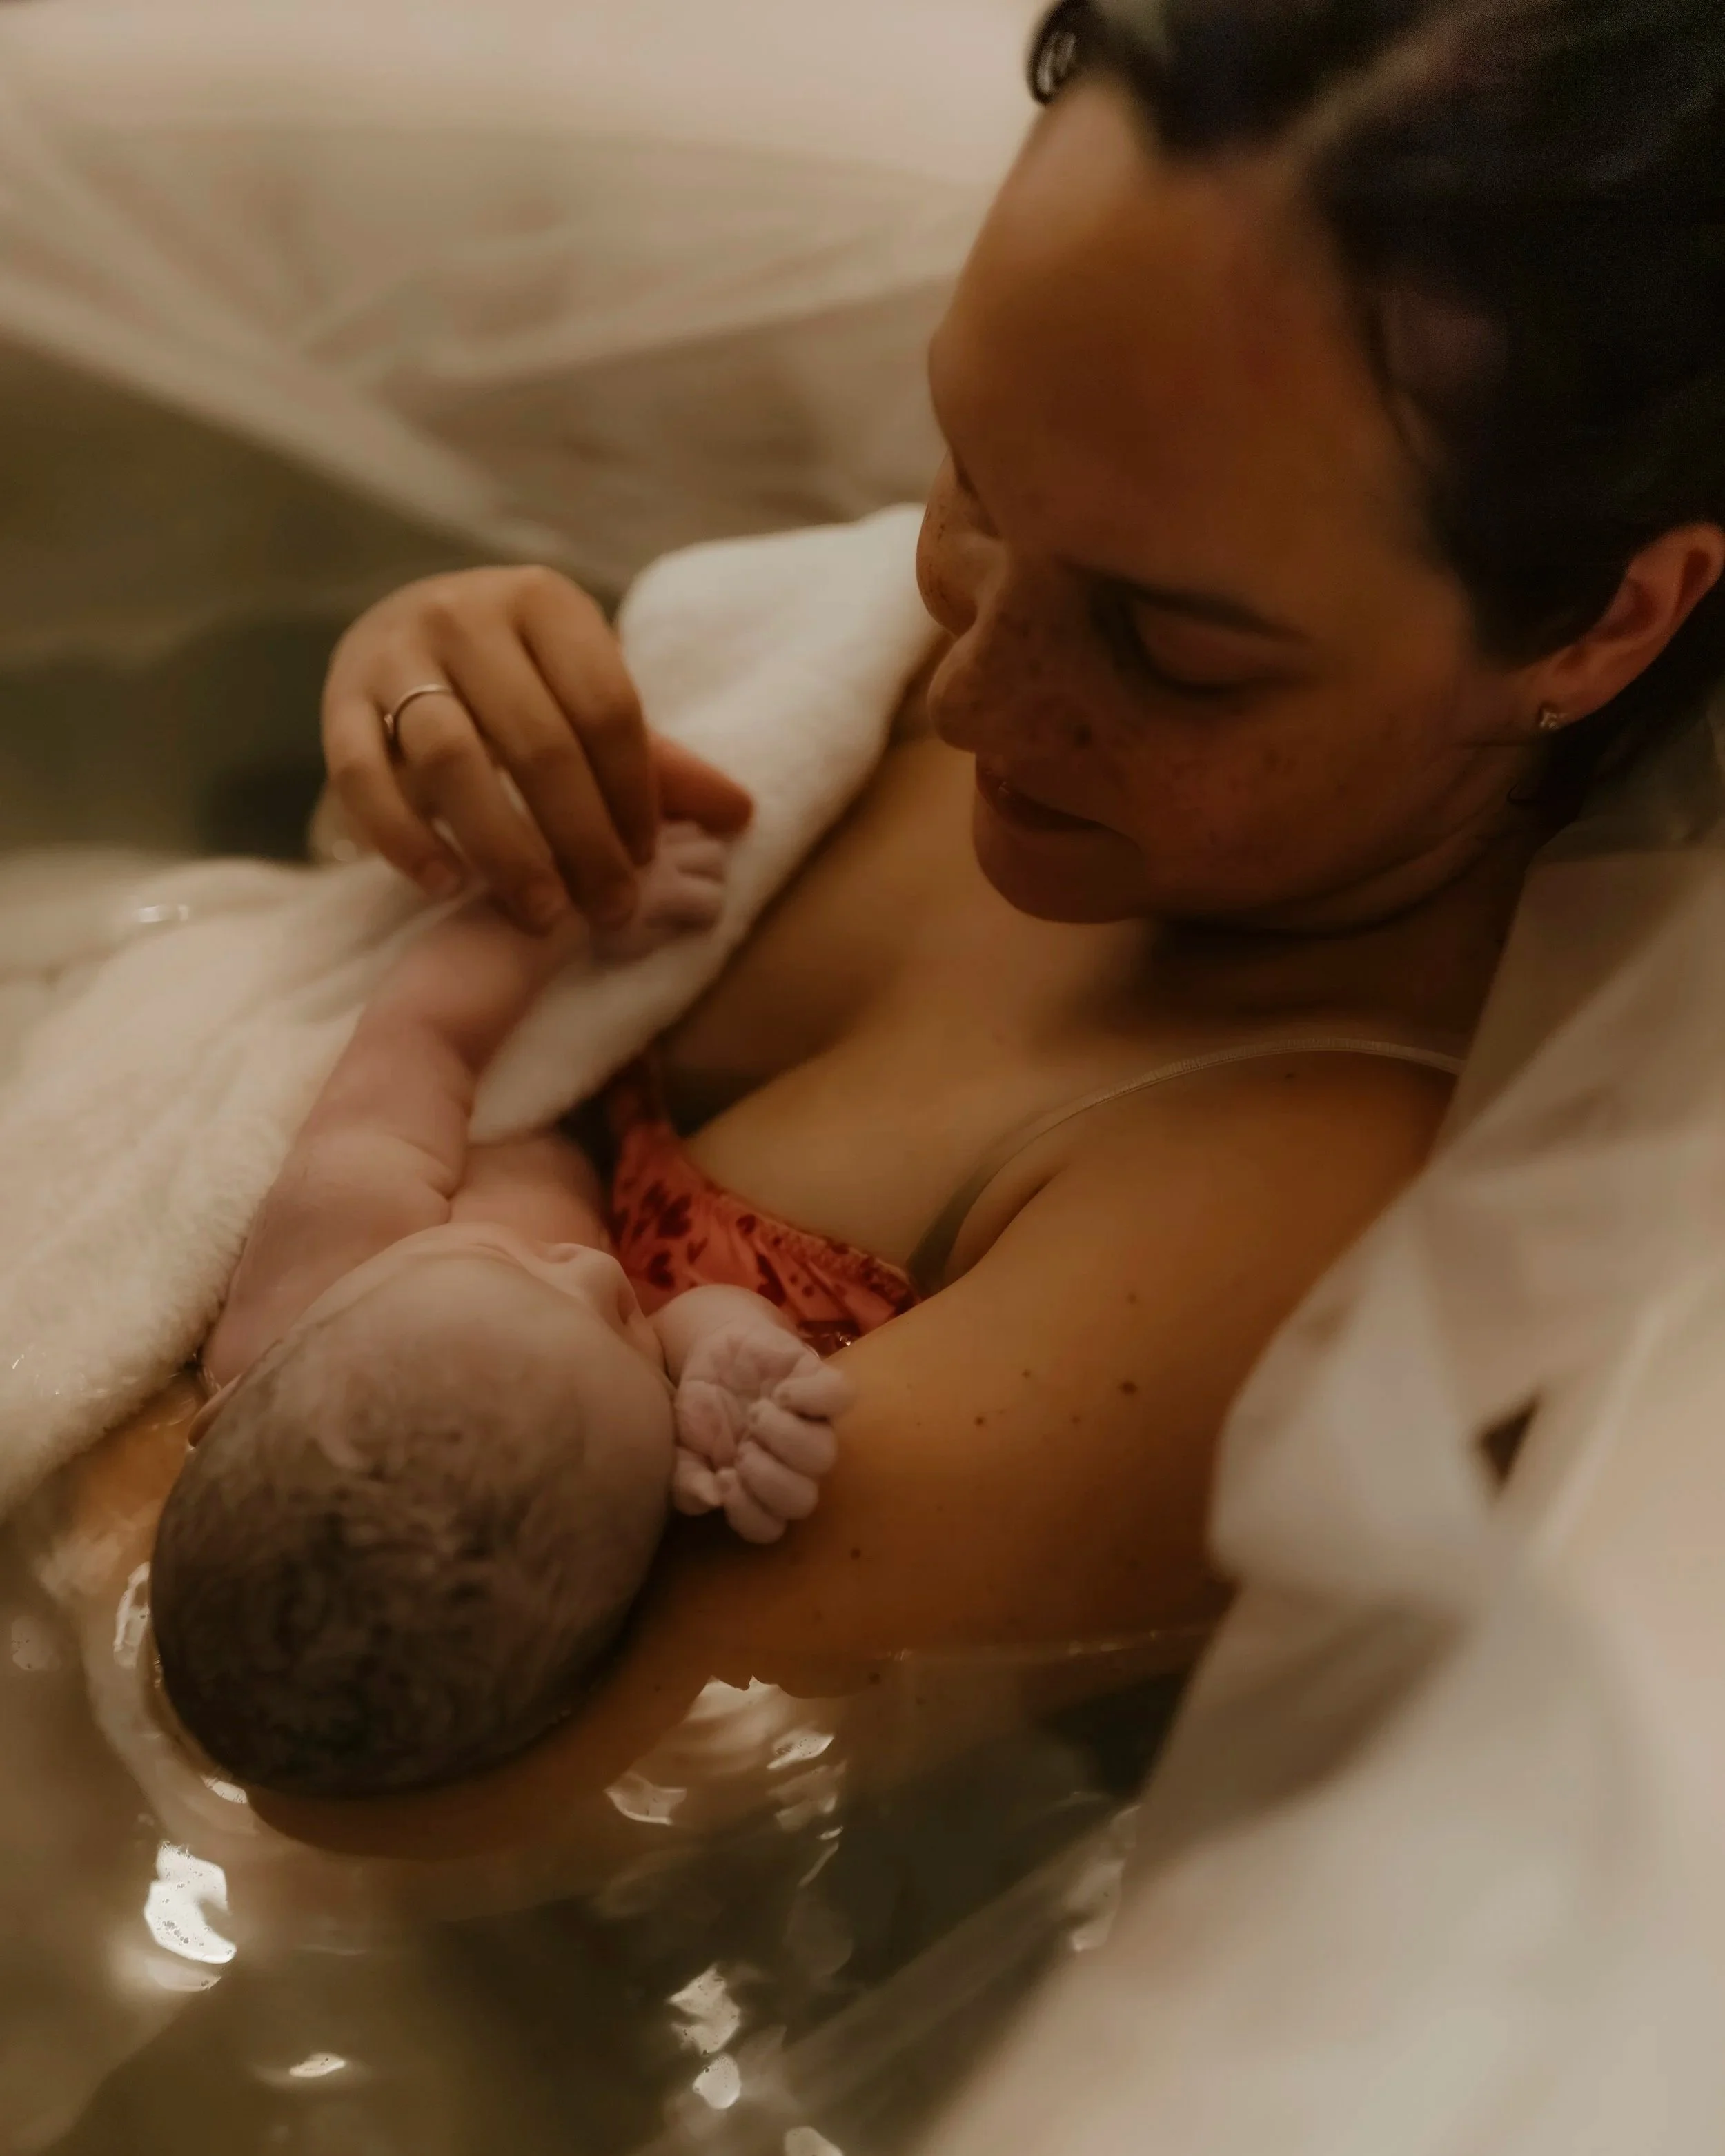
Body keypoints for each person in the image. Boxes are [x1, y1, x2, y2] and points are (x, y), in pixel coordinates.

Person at [229, 0, 1725, 1839]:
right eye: (964, 474)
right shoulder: (1034, 584)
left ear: (1602, 625)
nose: (966, 686)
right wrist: (425, 700)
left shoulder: (1256, 1234)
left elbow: (345, 1780)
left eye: (1171, 648)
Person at [148, 830, 854, 1799]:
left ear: (232, 1395)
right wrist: (735, 1355)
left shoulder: (338, 1240)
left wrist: (566, 913)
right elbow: (676, 1316)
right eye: (625, 1340)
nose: (600, 1279)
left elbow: (421, 1035)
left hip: (501, 1066)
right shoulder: (584, 1453)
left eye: (505, 1258)